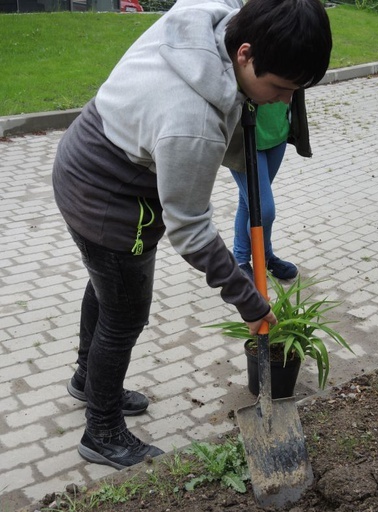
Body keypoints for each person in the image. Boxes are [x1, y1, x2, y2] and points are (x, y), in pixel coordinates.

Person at [52, 0, 332, 470]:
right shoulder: (193, 122)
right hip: (109, 194)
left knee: (107, 290)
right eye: (281, 88)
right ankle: (101, 430)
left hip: (87, 152)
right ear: (245, 54)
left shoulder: (216, 16)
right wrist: (249, 301)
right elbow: (191, 229)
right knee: (124, 313)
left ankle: (88, 380)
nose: (285, 101)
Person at [230, 90, 311, 281]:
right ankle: (261, 259)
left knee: (248, 201)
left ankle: (242, 260)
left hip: (277, 134)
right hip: (245, 138)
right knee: (264, 210)